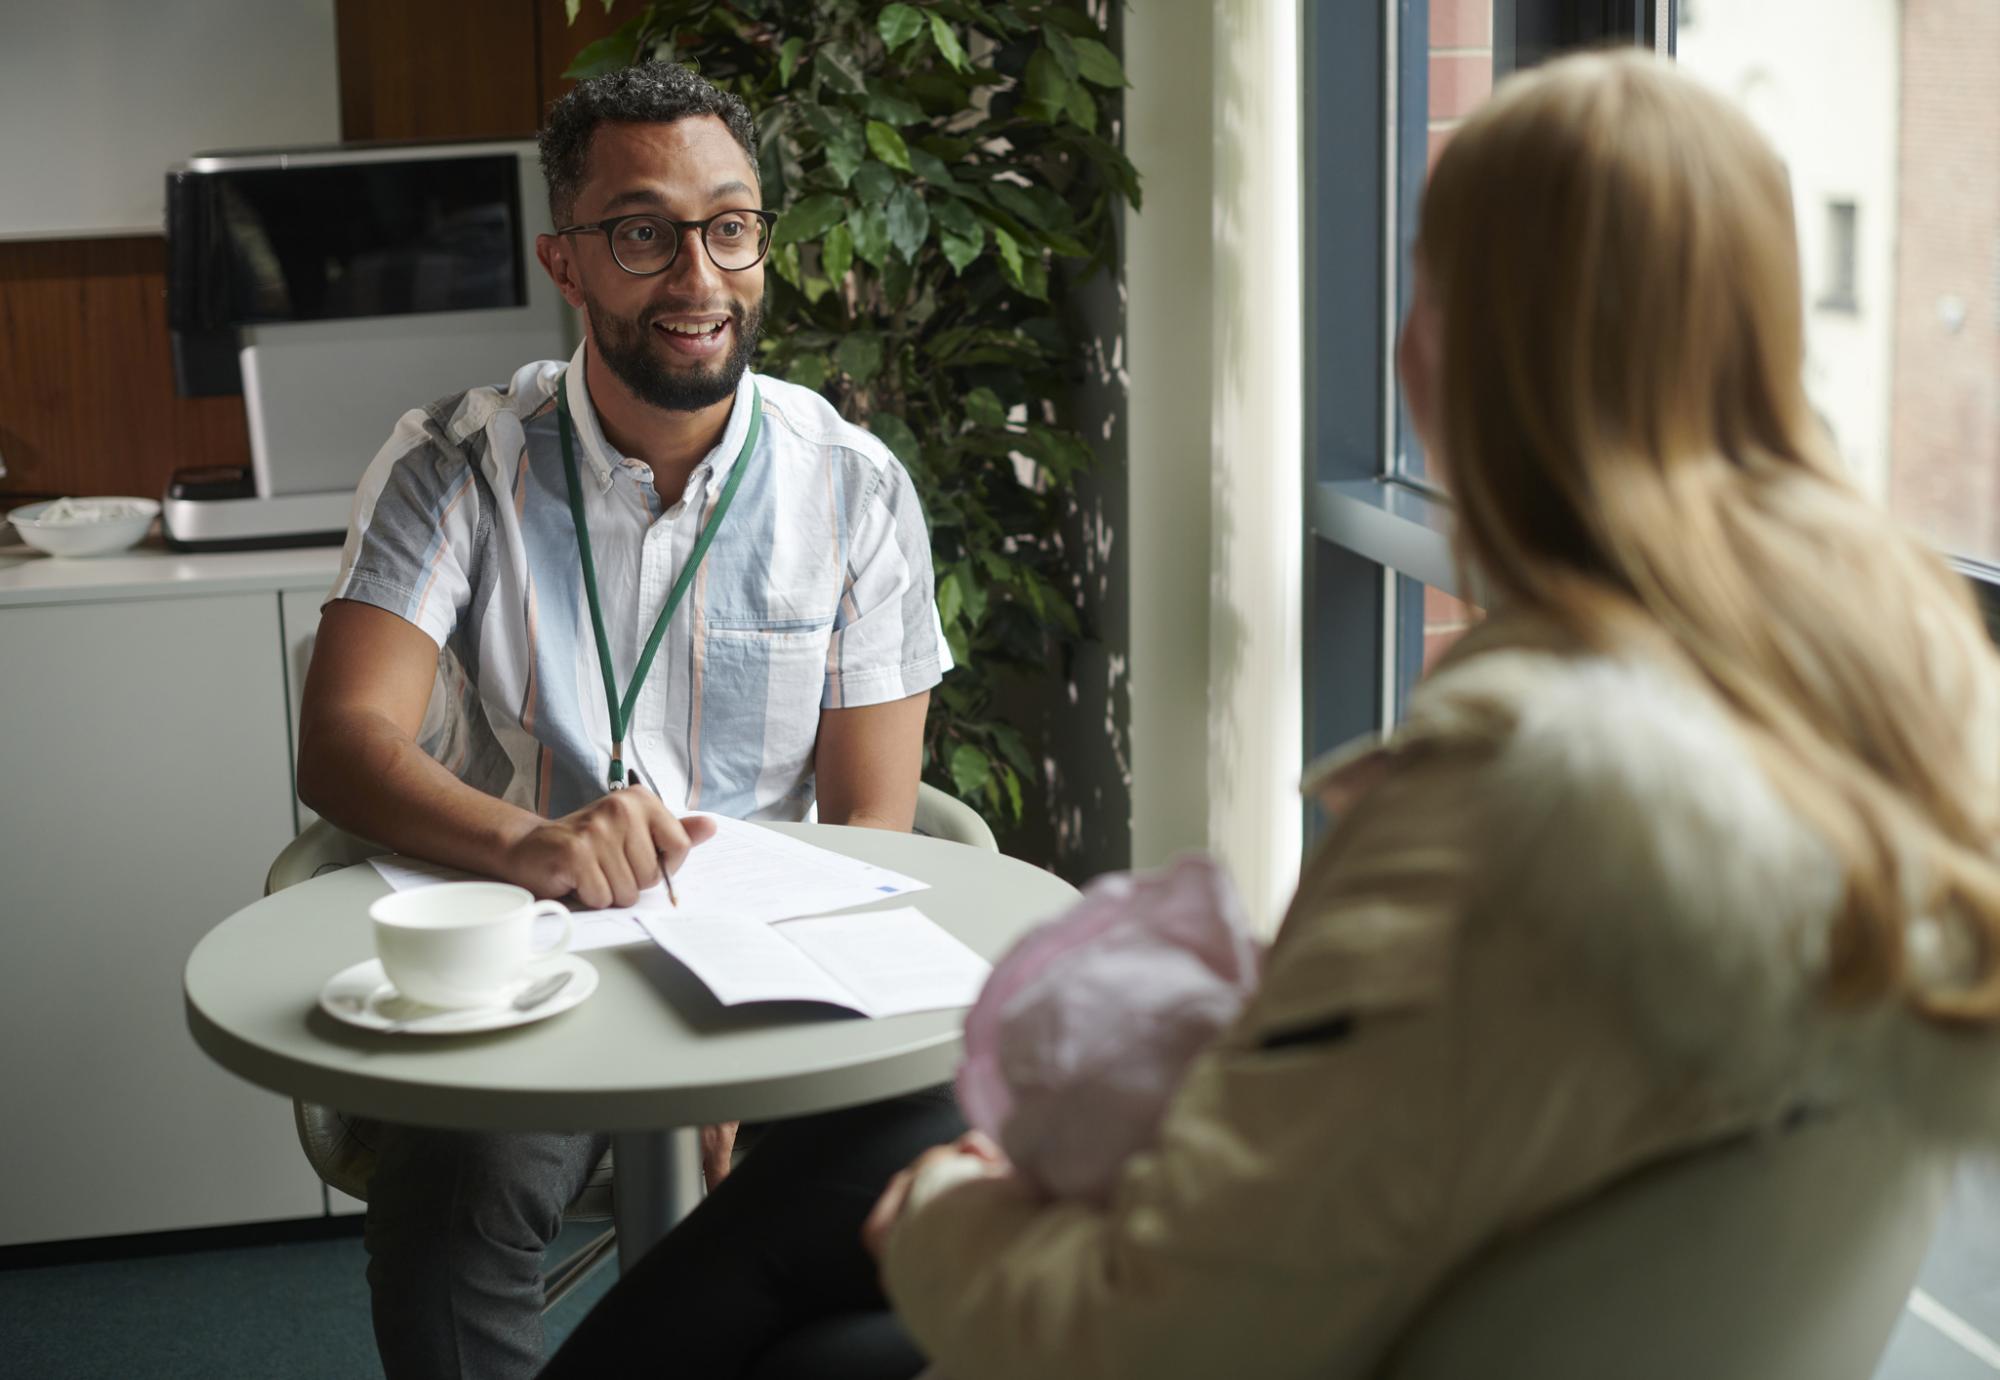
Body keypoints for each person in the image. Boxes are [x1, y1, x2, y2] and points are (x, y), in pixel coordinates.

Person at [543, 50, 2000, 1379]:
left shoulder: (1525, 811)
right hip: (1426, 1283)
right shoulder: (1886, 704)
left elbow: (1150, 1330)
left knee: (803, 1292)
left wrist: (947, 1216)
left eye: (1425, 291)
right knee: (859, 1160)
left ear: (1464, 364)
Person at [294, 61, 956, 1380]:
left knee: (932, 1174)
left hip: (771, 971)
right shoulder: (452, 467)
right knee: (459, 1181)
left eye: (730, 226)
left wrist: (747, 1058)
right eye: (645, 233)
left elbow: (878, 830)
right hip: (532, 964)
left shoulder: (854, 488)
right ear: (569, 261)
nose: (699, 277)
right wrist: (532, 845)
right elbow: (345, 745)